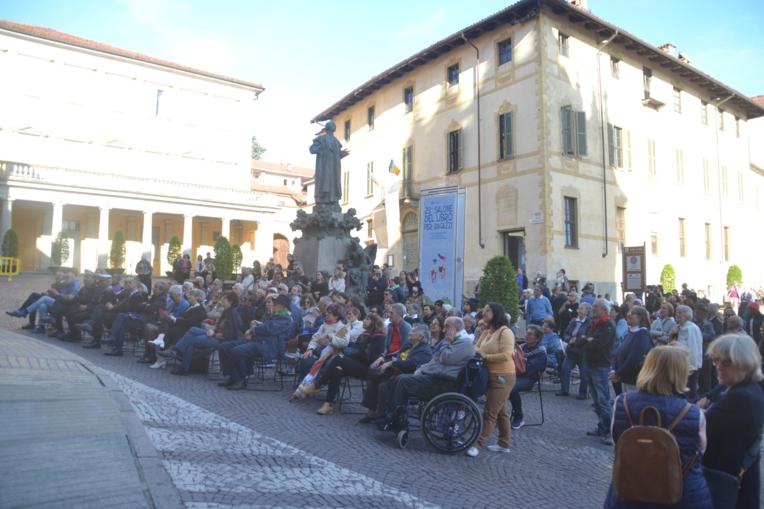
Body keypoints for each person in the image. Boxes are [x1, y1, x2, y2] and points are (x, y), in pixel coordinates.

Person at [604, 346, 712, 509]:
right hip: (681, 493)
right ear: (681, 373)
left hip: (630, 488)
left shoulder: (622, 403)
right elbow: (700, 451)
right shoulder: (694, 413)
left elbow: (616, 440)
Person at [700, 335, 764, 509]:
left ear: (745, 363)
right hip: (726, 474)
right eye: (716, 360)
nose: (719, 367)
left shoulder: (743, 396)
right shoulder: (734, 385)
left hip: (729, 480)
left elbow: (701, 424)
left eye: (727, 362)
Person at [377, 316, 474, 429]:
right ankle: (390, 415)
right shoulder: (456, 341)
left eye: (447, 327)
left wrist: (446, 342)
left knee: (403, 380)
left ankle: (396, 419)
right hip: (435, 377)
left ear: (456, 327)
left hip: (444, 383)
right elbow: (436, 360)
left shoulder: (465, 342)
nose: (444, 330)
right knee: (395, 380)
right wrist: (422, 369)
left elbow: (445, 358)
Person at [466, 303, 516, 457]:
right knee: (501, 411)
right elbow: (476, 347)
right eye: (485, 309)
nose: (484, 312)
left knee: (490, 412)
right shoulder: (487, 332)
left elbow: (507, 355)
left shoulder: (505, 332)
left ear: (496, 313)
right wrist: (479, 352)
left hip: (503, 376)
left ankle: (477, 444)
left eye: (488, 310)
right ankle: (504, 443)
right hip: (489, 374)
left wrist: (486, 356)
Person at [218, 294, 295, 390]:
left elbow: (269, 329)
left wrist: (253, 330)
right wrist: (258, 326)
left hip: (269, 346)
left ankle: (240, 380)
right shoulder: (276, 315)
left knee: (238, 351)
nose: (273, 305)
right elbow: (267, 327)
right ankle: (231, 376)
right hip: (259, 341)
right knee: (225, 347)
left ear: (282, 306)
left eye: (275, 303)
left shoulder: (286, 319)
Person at [158, 291, 243, 375]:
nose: (222, 300)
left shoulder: (232, 314)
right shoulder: (226, 311)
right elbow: (218, 327)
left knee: (192, 340)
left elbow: (229, 335)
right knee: (193, 329)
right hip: (214, 334)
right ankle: (177, 352)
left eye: (225, 299)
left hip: (221, 340)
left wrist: (213, 333)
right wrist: (213, 330)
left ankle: (181, 362)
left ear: (230, 302)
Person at [575, 298, 615, 445]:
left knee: (603, 399)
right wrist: (587, 339)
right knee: (596, 400)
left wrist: (587, 340)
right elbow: (581, 339)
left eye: (595, 306)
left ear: (604, 309)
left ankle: (609, 431)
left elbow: (597, 344)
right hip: (589, 364)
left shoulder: (608, 326)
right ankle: (601, 426)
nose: (593, 308)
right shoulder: (594, 324)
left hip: (600, 366)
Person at [507, 324, 547, 430]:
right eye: (527, 333)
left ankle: (519, 417)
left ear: (537, 338)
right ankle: (498, 414)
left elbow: (528, 370)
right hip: (515, 374)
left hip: (528, 379)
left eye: (530, 334)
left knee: (511, 386)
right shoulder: (522, 347)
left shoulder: (540, 352)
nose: (526, 335)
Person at [610, 306, 653, 393]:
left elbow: (634, 358)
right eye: (629, 313)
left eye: (632, 313)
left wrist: (618, 373)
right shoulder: (632, 331)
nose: (629, 315)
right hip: (625, 375)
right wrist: (615, 369)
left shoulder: (642, 334)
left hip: (633, 377)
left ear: (640, 318)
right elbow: (620, 351)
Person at [557, 302, 591, 398]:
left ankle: (583, 393)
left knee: (584, 373)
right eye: (578, 309)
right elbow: (565, 334)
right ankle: (564, 390)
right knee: (565, 369)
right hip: (571, 351)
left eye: (581, 309)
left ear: (587, 311)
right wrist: (569, 339)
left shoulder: (590, 323)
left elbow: (587, 336)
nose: (579, 311)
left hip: (582, 352)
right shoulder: (573, 322)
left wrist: (576, 341)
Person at [671, 305, 703, 401]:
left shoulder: (689, 328)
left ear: (686, 315)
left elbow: (690, 348)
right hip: (684, 364)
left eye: (680, 313)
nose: (677, 315)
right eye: (677, 312)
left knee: (689, 391)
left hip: (688, 365)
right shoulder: (681, 327)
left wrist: (673, 336)